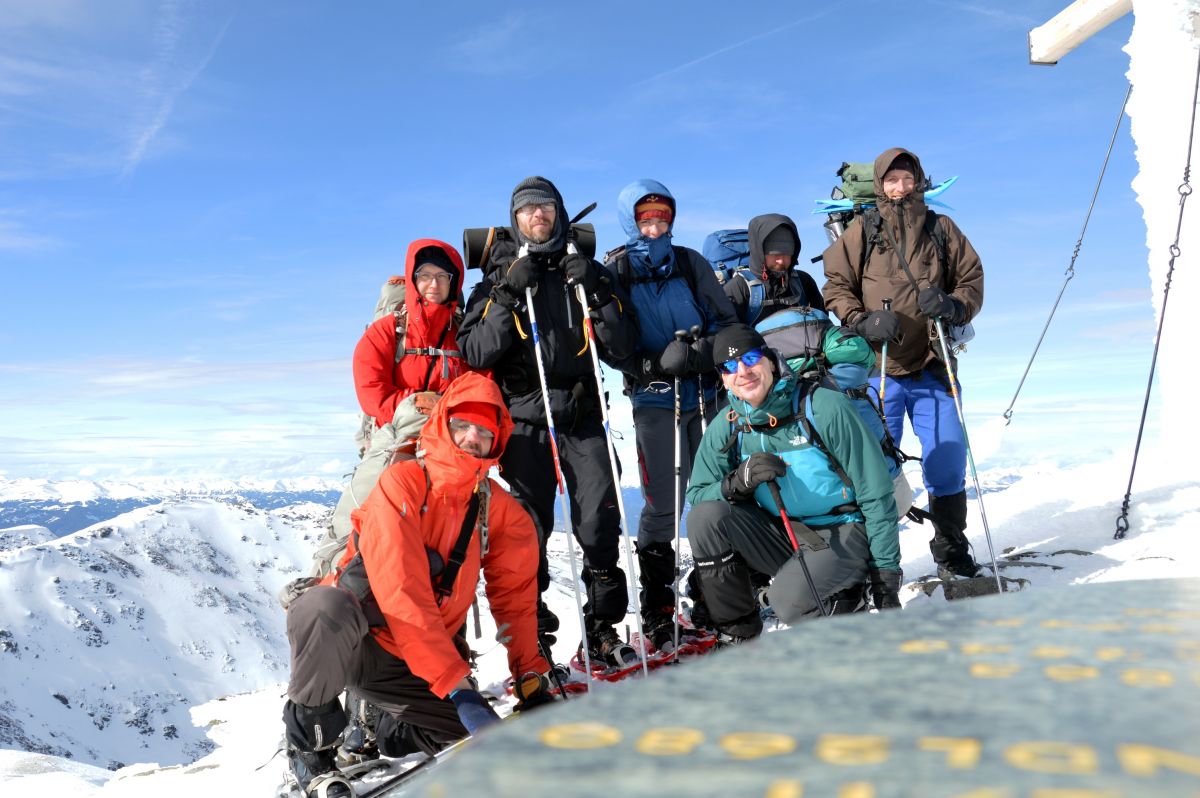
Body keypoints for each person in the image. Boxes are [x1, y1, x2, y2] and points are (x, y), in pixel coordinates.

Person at [280, 372, 554, 798]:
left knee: (472, 741)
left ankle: (390, 732)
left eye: (484, 430)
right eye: (462, 424)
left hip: (413, 661)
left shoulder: (499, 511)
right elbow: (400, 593)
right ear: (443, 423)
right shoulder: (402, 482)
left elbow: (515, 599)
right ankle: (312, 755)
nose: (470, 437)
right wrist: (458, 688)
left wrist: (530, 673)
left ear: (497, 440)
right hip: (357, 642)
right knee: (322, 608)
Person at [458, 176, 640, 666]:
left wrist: (599, 292)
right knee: (526, 532)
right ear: (515, 219)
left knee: (601, 521)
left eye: (546, 208)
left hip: (583, 417)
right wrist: (506, 297)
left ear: (559, 214)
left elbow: (623, 350)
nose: (538, 215)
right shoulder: (499, 280)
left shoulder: (585, 273)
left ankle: (603, 628)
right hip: (524, 422)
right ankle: (531, 633)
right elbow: (475, 352)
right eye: (528, 209)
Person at [821, 148, 985, 579]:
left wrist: (952, 305)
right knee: (873, 469)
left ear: (918, 181)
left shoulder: (941, 227)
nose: (900, 187)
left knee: (947, 459)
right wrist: (861, 319)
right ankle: (873, 563)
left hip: (933, 362)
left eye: (907, 179)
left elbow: (972, 280)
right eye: (891, 180)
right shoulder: (861, 230)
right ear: (879, 184)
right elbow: (836, 285)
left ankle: (952, 552)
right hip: (877, 368)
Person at [685, 325, 902, 642]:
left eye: (750, 358)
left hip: (845, 528)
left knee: (788, 603)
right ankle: (739, 637)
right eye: (729, 366)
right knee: (705, 519)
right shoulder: (728, 424)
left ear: (770, 361)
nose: (742, 371)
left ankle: (849, 620)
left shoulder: (824, 406)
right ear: (722, 377)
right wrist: (736, 482)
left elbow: (876, 492)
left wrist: (886, 577)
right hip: (787, 532)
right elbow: (699, 495)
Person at [604, 179, 737, 651]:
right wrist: (646, 365)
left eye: (662, 218)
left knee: (711, 498)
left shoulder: (690, 263)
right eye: (646, 219)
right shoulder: (617, 269)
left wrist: (700, 353)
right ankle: (659, 607)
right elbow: (608, 340)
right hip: (654, 398)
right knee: (662, 502)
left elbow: (725, 323)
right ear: (631, 221)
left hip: (702, 393)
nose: (656, 225)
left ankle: (711, 595)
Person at [724, 213, 825, 325]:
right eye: (774, 254)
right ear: (759, 252)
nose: (781, 261)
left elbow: (823, 323)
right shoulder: (740, 287)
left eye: (787, 253)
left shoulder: (804, 282)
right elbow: (727, 333)